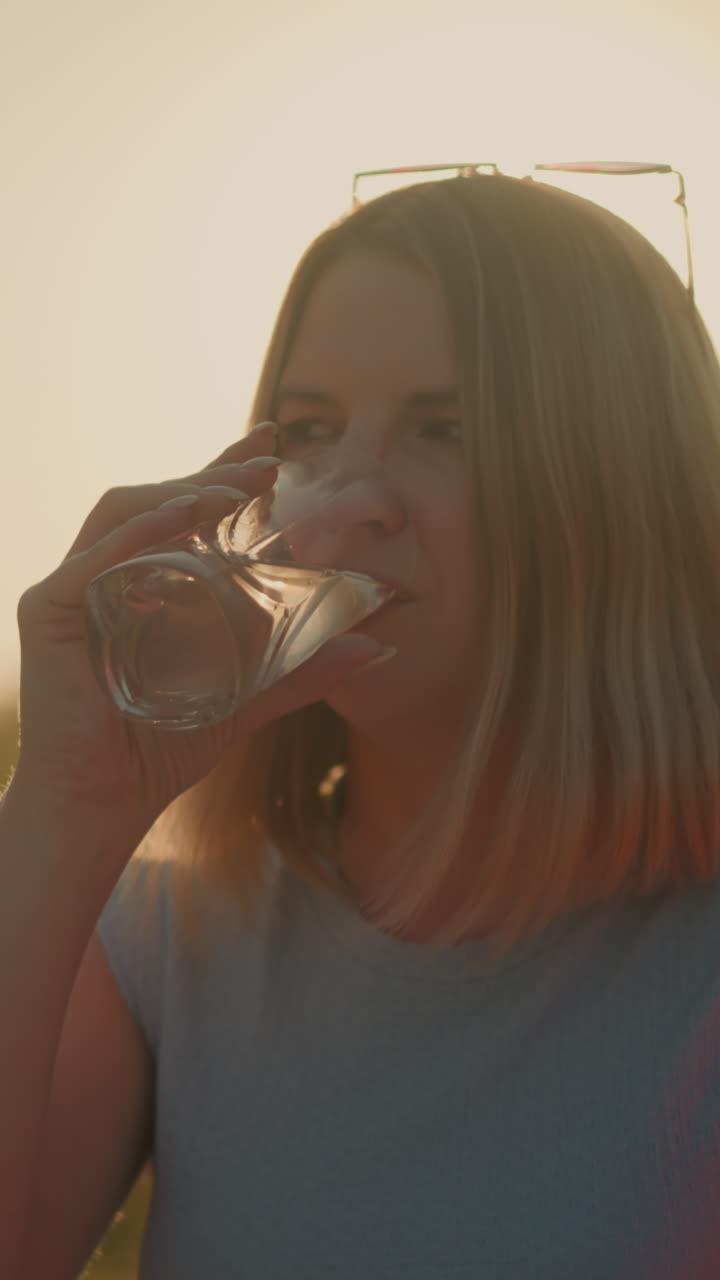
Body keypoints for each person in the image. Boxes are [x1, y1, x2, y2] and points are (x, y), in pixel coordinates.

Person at [3, 172, 720, 1279]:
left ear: (623, 485)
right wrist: (58, 810)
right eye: (311, 427)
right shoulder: (167, 936)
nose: (353, 493)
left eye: (448, 427)